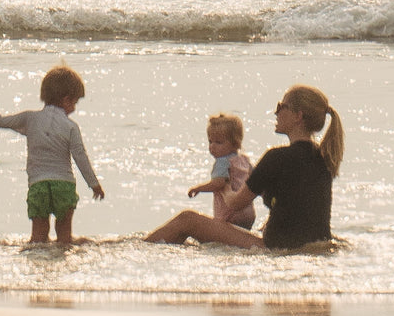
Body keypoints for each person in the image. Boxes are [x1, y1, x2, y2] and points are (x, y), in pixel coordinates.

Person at [145, 85, 344, 250]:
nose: (276, 112)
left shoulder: (276, 157)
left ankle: (142, 250)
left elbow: (234, 203)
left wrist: (223, 184)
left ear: (298, 116)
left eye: (281, 106)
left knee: (188, 219)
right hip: (316, 243)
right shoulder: (325, 158)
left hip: (277, 247)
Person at [0, 65, 105, 244]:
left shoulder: (30, 119)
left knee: (38, 237)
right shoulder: (71, 127)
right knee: (64, 237)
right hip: (64, 186)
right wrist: (94, 184)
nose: (74, 108)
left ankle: (37, 264)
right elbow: (80, 158)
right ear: (66, 99)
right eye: (75, 103)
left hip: (38, 186)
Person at [187, 113, 256, 230]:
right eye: (210, 141)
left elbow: (218, 183)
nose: (212, 146)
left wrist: (198, 188)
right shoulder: (244, 160)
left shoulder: (222, 162)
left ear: (235, 143)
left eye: (218, 142)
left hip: (230, 215)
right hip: (248, 213)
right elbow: (256, 178)